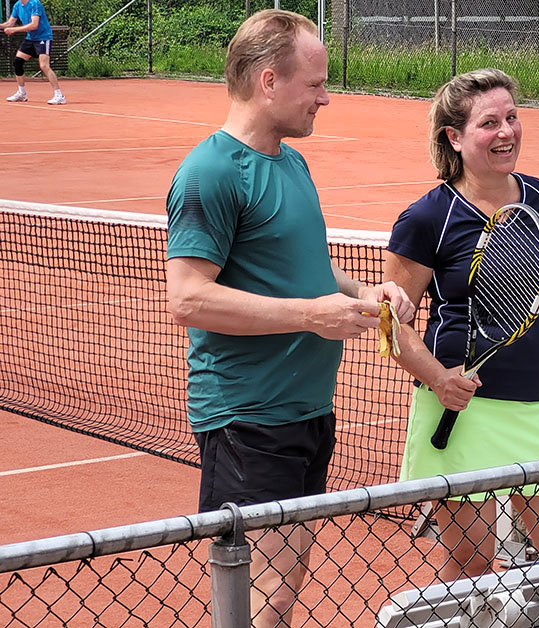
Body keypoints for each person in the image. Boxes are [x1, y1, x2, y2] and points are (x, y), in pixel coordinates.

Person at [164, 10, 414, 627]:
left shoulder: (292, 163)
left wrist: (368, 294)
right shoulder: (212, 172)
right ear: (269, 81)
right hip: (248, 417)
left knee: (284, 581)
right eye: (315, 83)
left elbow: (309, 270)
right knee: (260, 594)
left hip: (306, 410)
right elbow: (189, 298)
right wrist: (309, 316)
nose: (326, 98)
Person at [384, 68, 539, 580]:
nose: (506, 132)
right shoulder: (425, 218)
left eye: (512, 117)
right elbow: (392, 322)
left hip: (536, 407)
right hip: (460, 415)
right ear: (454, 138)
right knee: (471, 567)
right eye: (489, 123)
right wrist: (439, 378)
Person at [1, 0, 65, 105]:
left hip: (43, 37)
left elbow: (34, 25)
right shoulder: (18, 5)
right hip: (31, 38)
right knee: (18, 62)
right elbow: (9, 23)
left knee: (44, 66)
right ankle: (22, 93)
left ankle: (59, 95)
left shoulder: (35, 3)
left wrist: (14, 30)